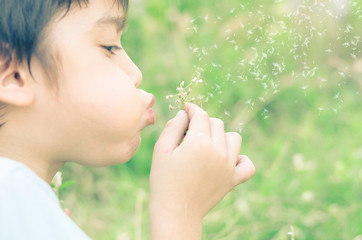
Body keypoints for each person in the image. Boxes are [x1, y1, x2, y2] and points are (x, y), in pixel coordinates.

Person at [0, 0, 255, 239]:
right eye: (109, 47)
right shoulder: (10, 197)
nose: (135, 73)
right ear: (13, 76)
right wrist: (178, 211)